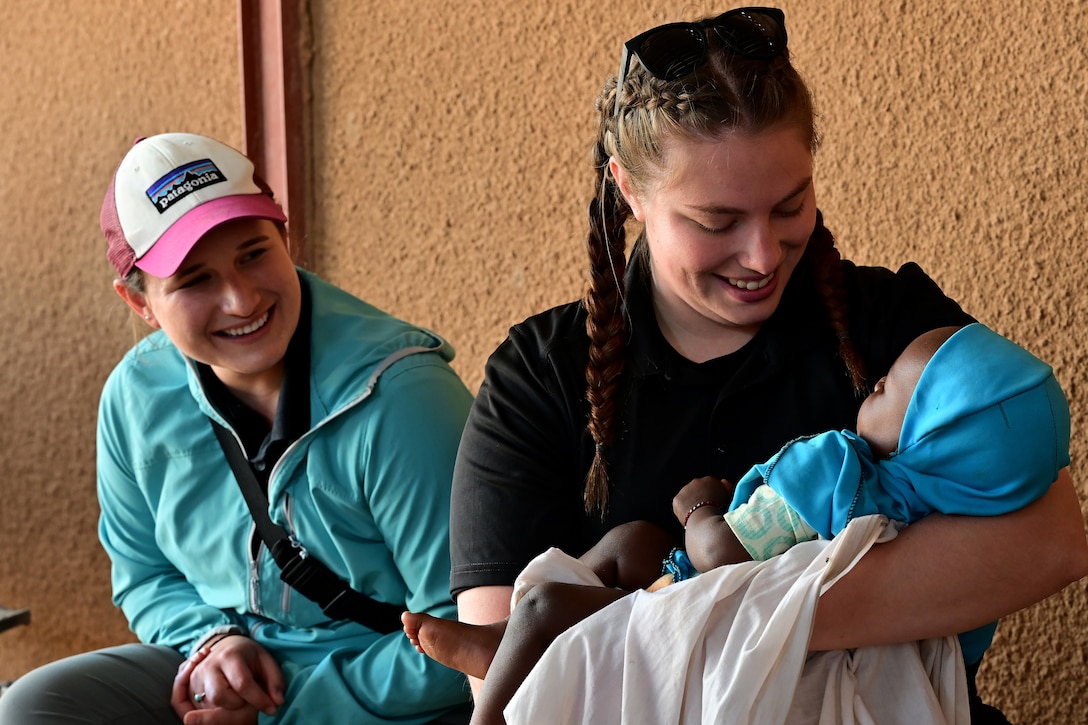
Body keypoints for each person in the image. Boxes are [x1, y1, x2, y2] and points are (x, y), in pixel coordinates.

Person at [446, 6, 1088, 724]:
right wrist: (839, 605)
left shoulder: (890, 321)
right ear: (629, 190)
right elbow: (511, 687)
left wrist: (698, 617)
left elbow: (1050, 541)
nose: (760, 255)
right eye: (716, 222)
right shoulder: (539, 378)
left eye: (790, 206)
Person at [0, 132, 474, 725]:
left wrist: (282, 712)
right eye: (194, 279)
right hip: (232, 670)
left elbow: (467, 640)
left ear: (284, 236)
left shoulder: (402, 397)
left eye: (253, 253)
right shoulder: (134, 396)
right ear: (139, 302)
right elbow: (144, 573)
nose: (241, 299)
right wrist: (213, 641)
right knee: (35, 706)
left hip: (394, 686)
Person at [406, 322, 1071, 722]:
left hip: (699, 614)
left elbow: (725, 554)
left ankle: (506, 663)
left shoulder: (840, 468)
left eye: (886, 389)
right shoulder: (962, 515)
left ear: (932, 435)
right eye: (717, 220)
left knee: (553, 599)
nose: (870, 386)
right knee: (631, 550)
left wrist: (699, 507)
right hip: (760, 656)